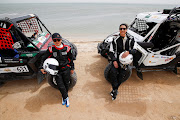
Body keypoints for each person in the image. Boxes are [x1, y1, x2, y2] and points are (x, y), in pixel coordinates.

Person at [39, 33, 74, 107]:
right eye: (55, 40)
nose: (57, 41)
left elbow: (71, 59)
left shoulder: (67, 48)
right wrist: (41, 67)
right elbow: (43, 58)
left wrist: (72, 68)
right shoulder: (51, 49)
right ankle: (65, 98)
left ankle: (65, 97)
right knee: (60, 85)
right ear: (53, 41)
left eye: (58, 40)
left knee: (66, 83)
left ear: (61, 39)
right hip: (56, 70)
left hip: (66, 69)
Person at [108, 23, 136, 100]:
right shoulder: (115, 40)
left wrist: (129, 52)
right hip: (116, 60)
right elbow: (110, 51)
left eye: (124, 29)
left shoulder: (131, 39)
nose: (122, 30)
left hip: (125, 62)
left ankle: (115, 89)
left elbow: (135, 50)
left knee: (121, 76)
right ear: (119, 30)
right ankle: (115, 89)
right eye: (121, 29)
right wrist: (114, 60)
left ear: (126, 30)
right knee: (113, 73)